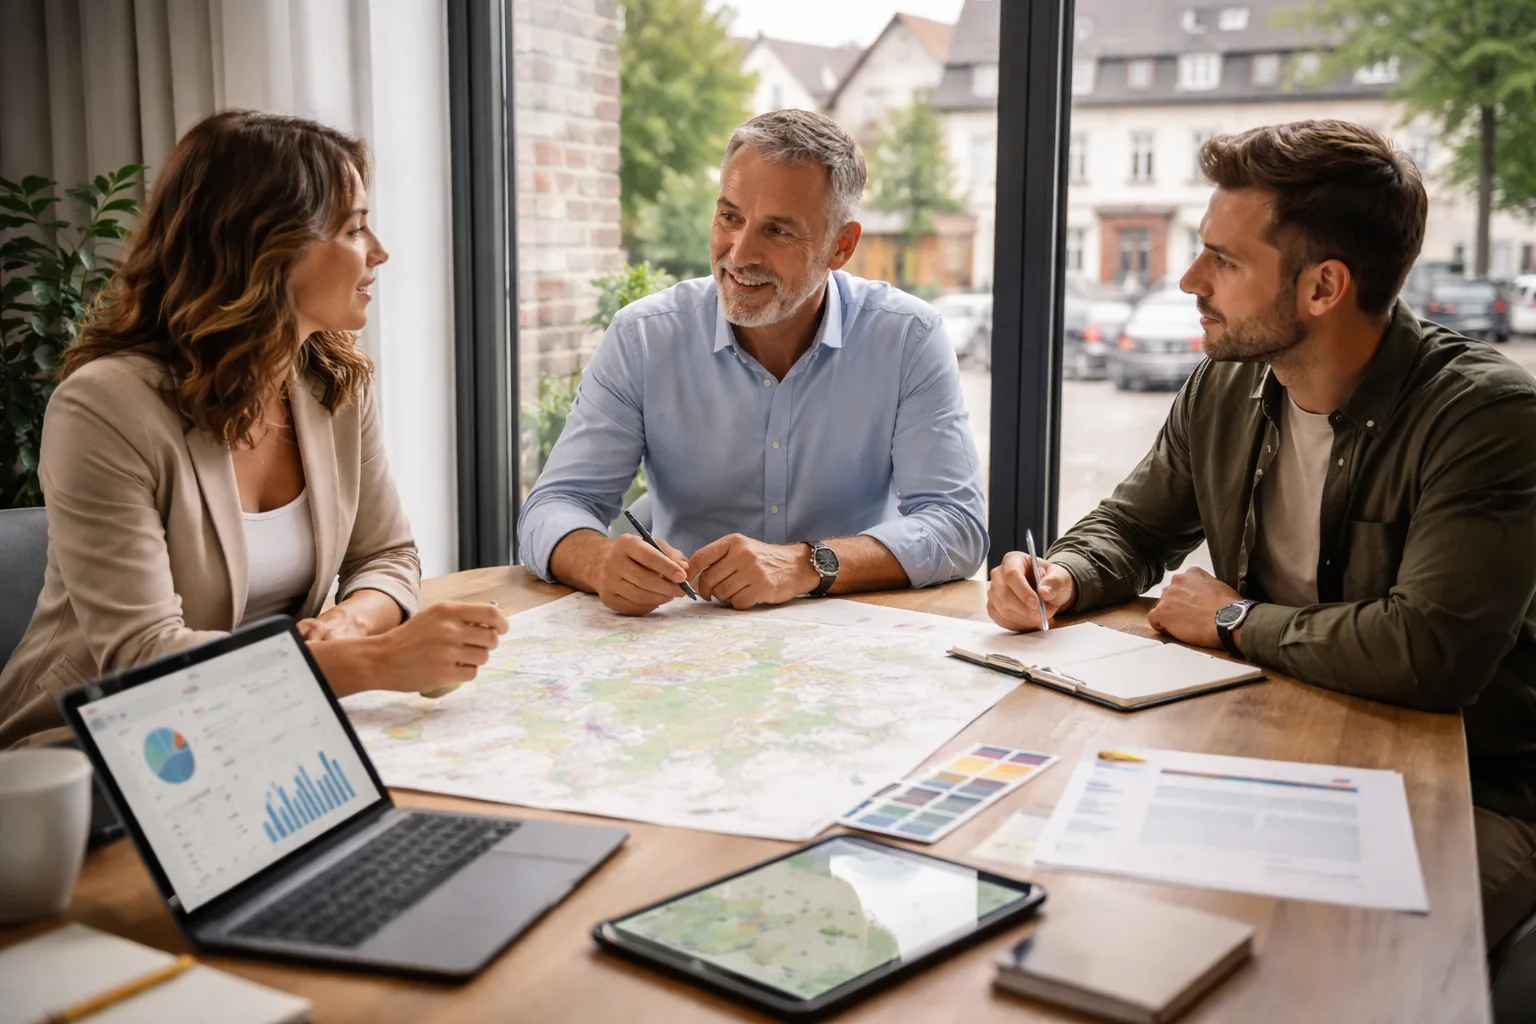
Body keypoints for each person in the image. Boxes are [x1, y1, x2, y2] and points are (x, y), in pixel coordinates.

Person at [987, 120, 1536, 951]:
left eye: (1225, 260)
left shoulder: (1485, 416)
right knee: (1086, 899)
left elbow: (1429, 651)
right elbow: (1134, 526)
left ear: (1323, 288)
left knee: (1347, 960)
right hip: (1280, 747)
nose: (1187, 279)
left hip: (1473, 788)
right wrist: (1062, 573)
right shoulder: (1227, 382)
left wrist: (1235, 620)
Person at [0, 110, 508, 750]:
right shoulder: (104, 407)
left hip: (263, 728)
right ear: (270, 246)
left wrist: (351, 622)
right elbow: (143, 658)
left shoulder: (333, 383)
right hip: (98, 752)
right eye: (354, 229)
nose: (379, 252)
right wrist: (374, 664)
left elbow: (386, 556)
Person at [518, 109, 987, 614]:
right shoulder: (643, 337)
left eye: (778, 231)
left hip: (851, 643)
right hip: (683, 640)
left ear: (841, 245)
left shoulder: (908, 338)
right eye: (729, 217)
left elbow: (955, 524)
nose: (740, 254)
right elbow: (554, 505)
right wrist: (596, 560)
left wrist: (808, 565)